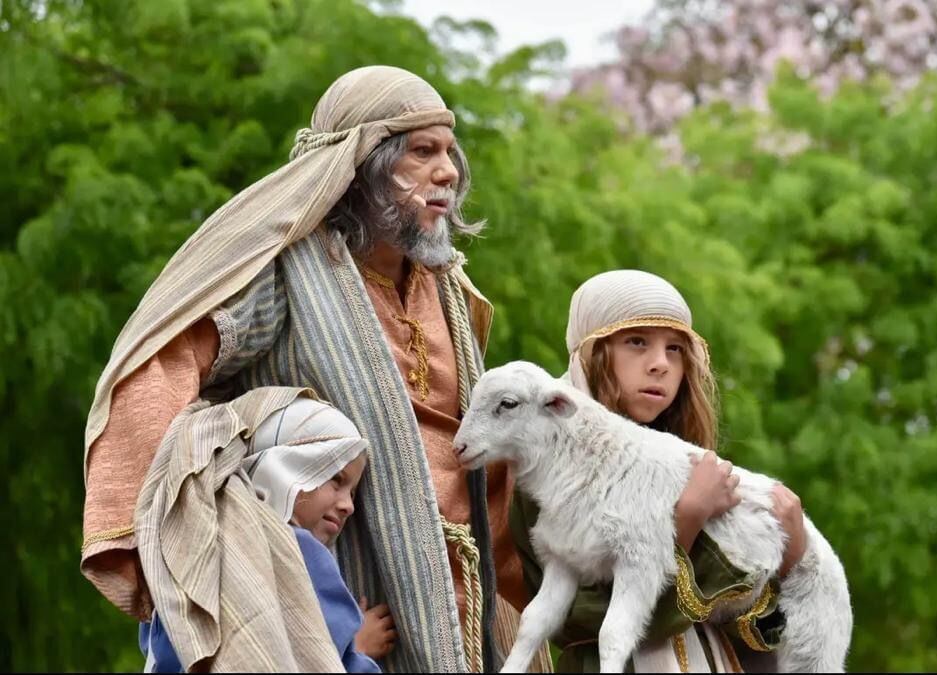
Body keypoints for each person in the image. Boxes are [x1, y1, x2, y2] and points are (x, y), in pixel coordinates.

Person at [81, 66, 525, 672]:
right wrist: (179, 529)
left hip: (468, 604)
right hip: (342, 598)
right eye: (422, 152)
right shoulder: (286, 274)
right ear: (364, 165)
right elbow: (161, 360)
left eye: (449, 151)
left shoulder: (450, 287)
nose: (447, 172)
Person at [511, 270, 808, 672]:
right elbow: (579, 621)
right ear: (591, 353)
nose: (660, 365)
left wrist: (786, 559)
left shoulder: (692, 469)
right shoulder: (546, 477)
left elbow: (739, 623)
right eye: (637, 342)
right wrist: (685, 518)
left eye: (674, 350)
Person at [137, 394, 390, 672]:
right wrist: (359, 651)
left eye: (352, 493)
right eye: (335, 479)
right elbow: (318, 656)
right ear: (286, 465)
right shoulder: (301, 554)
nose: (349, 506)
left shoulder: (191, 542)